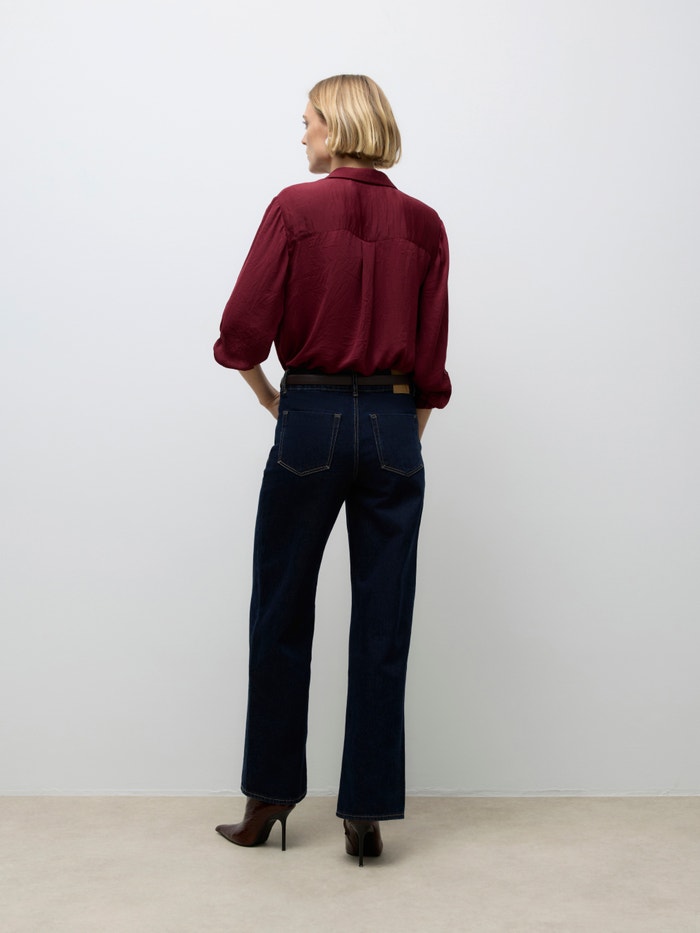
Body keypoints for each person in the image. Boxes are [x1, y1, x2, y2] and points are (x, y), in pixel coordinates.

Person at [212, 74, 451, 865]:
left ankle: (270, 797)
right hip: (393, 421)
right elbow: (431, 362)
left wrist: (272, 399)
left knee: (281, 607)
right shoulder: (425, 225)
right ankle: (367, 813)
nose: (303, 133)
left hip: (310, 416)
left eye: (309, 119)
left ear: (338, 126)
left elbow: (240, 332)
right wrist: (401, 430)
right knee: (384, 621)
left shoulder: (293, 209)